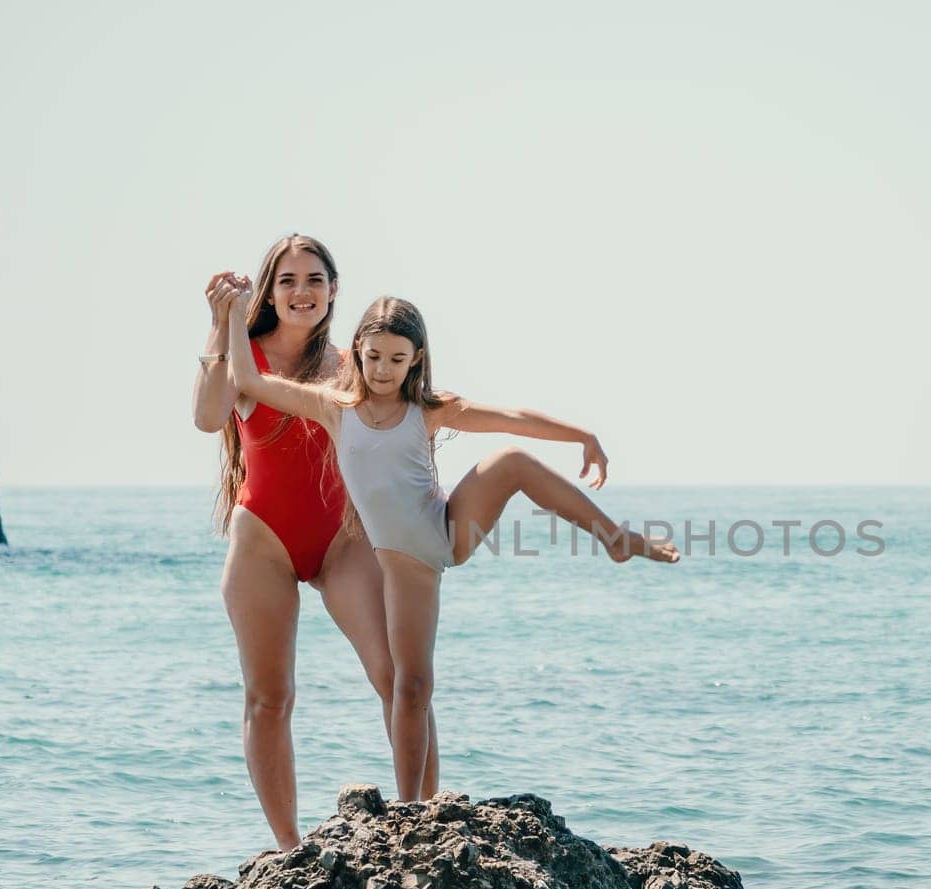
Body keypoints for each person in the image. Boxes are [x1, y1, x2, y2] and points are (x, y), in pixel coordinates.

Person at [215, 282, 678, 802]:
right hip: (408, 562)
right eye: (373, 357)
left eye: (397, 358)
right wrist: (233, 314)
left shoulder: (430, 409)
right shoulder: (333, 407)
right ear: (358, 353)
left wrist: (583, 436)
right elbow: (251, 378)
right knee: (411, 687)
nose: (384, 369)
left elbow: (514, 418)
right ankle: (412, 811)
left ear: (416, 360)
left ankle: (615, 539)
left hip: (447, 527)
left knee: (511, 460)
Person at [192, 236, 440, 851]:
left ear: (333, 290)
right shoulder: (242, 356)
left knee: (399, 677)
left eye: (314, 279)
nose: (301, 292)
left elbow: (405, 439)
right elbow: (205, 417)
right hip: (264, 543)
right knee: (270, 697)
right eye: (287, 280)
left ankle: (425, 823)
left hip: (342, 541)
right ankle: (289, 851)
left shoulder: (352, 367)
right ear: (269, 291)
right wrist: (219, 325)